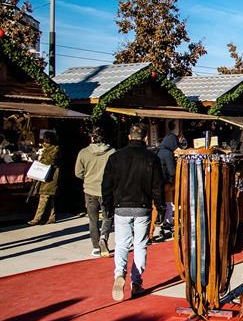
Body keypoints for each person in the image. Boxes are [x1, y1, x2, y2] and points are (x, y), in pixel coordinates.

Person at [102, 123, 165, 301]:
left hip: (121, 206)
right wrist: (160, 208)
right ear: (145, 138)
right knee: (140, 244)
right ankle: (136, 282)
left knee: (122, 244)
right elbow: (157, 187)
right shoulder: (152, 158)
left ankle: (119, 274)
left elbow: (106, 184)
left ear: (129, 137)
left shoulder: (115, 157)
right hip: (142, 206)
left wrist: (107, 206)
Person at [75, 127, 115, 258]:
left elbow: (78, 173)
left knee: (93, 219)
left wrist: (88, 177)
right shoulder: (112, 152)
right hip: (107, 190)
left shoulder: (83, 152)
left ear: (92, 138)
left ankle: (95, 246)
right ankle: (104, 237)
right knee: (108, 216)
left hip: (90, 189)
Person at [28, 131, 60, 226]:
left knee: (44, 196)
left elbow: (50, 160)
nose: (44, 143)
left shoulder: (55, 149)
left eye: (45, 141)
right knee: (50, 197)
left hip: (50, 177)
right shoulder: (47, 148)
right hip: (45, 175)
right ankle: (52, 217)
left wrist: (40, 157)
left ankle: (37, 218)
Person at [154, 123, 179, 240]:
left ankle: (162, 223)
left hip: (158, 182)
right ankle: (168, 222)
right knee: (169, 201)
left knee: (161, 204)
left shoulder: (159, 150)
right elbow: (172, 171)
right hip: (166, 183)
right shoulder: (168, 153)